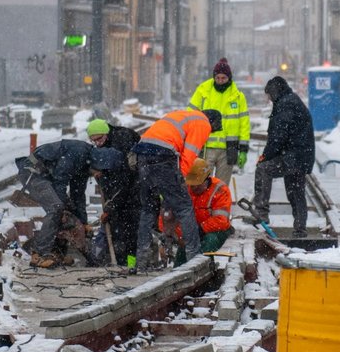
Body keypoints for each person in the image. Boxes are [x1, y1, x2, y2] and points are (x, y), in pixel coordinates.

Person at [132, 108, 223, 269]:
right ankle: (194, 260)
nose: (210, 134)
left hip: (143, 153)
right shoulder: (203, 123)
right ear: (212, 122)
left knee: (148, 208)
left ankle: (141, 261)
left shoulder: (184, 115)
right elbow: (189, 154)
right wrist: (180, 180)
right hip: (162, 155)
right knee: (184, 207)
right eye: (213, 130)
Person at [15, 139, 120, 269]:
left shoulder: (85, 165)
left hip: (46, 175)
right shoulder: (77, 152)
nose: (99, 175)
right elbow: (60, 182)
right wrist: (64, 211)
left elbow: (78, 195)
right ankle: (40, 254)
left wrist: (83, 222)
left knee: (67, 211)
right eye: (100, 171)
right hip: (32, 172)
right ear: (98, 163)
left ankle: (56, 252)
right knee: (56, 208)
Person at [252, 75, 315, 237]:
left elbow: (278, 136)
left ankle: (261, 214)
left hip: (292, 156)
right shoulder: (291, 100)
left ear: (275, 91)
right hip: (300, 156)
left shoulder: (285, 104)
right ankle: (300, 227)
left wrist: (265, 156)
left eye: (269, 95)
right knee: (296, 191)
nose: (269, 99)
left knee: (263, 169)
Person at [86, 118, 141, 267]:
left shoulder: (122, 141)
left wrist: (111, 206)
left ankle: (131, 265)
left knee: (131, 231)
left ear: (106, 133)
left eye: (99, 139)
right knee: (118, 230)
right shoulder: (105, 146)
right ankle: (121, 262)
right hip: (121, 189)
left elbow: (125, 180)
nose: (97, 143)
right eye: (93, 141)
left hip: (134, 189)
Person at [160, 157, 234, 266]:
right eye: (191, 185)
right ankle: (181, 269)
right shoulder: (185, 189)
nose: (193, 188)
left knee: (210, 241)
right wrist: (168, 237)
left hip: (216, 231)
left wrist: (199, 229)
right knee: (182, 255)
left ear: (206, 179)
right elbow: (168, 215)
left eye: (197, 185)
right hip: (193, 231)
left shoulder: (220, 190)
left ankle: (202, 266)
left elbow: (221, 221)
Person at [188, 57, 251, 184]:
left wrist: (243, 150)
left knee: (221, 187)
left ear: (229, 78)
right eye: (218, 78)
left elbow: (244, 124)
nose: (220, 81)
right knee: (201, 185)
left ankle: (219, 205)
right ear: (214, 77)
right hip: (206, 148)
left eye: (224, 78)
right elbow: (190, 116)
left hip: (228, 150)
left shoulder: (238, 97)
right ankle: (204, 205)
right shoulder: (203, 92)